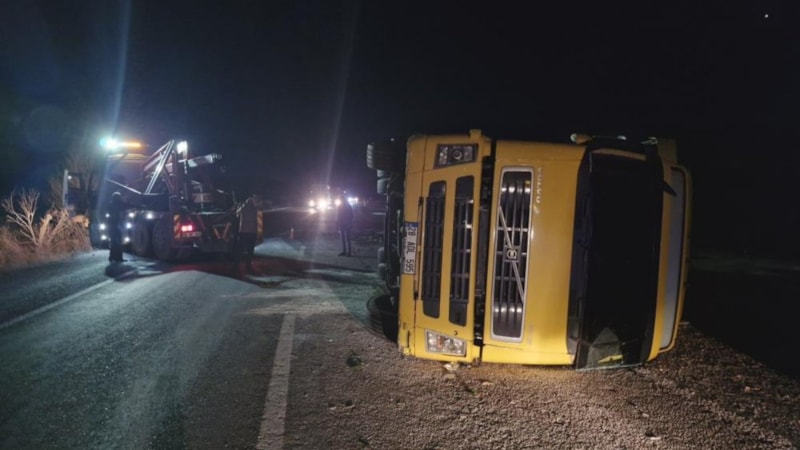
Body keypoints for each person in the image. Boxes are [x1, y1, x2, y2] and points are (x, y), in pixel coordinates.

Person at [235, 196, 258, 273]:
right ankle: (248, 264)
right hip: (252, 232)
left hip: (243, 232)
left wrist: (239, 206)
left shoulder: (243, 209)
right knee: (250, 250)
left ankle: (237, 263)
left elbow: (236, 214)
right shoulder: (255, 209)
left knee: (240, 249)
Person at [106, 191, 125, 263]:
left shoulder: (110, 204)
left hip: (113, 225)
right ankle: (118, 257)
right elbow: (126, 206)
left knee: (114, 241)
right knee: (117, 241)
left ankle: (113, 257)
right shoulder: (116, 204)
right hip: (115, 225)